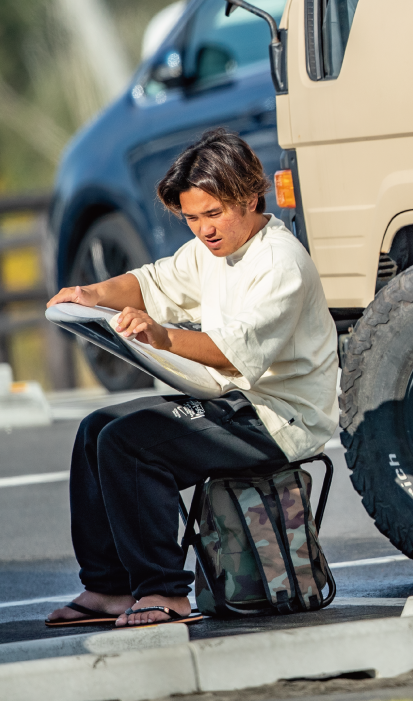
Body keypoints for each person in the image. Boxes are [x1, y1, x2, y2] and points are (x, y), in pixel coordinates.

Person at [45, 129, 338, 628]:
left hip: (278, 418)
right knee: (96, 429)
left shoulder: (280, 262)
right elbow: (153, 281)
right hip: (231, 401)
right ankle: (108, 587)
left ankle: (165, 593)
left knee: (131, 444)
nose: (204, 230)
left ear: (250, 197)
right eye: (192, 218)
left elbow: (230, 354)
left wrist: (161, 337)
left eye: (214, 213)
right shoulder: (211, 249)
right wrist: (92, 295)